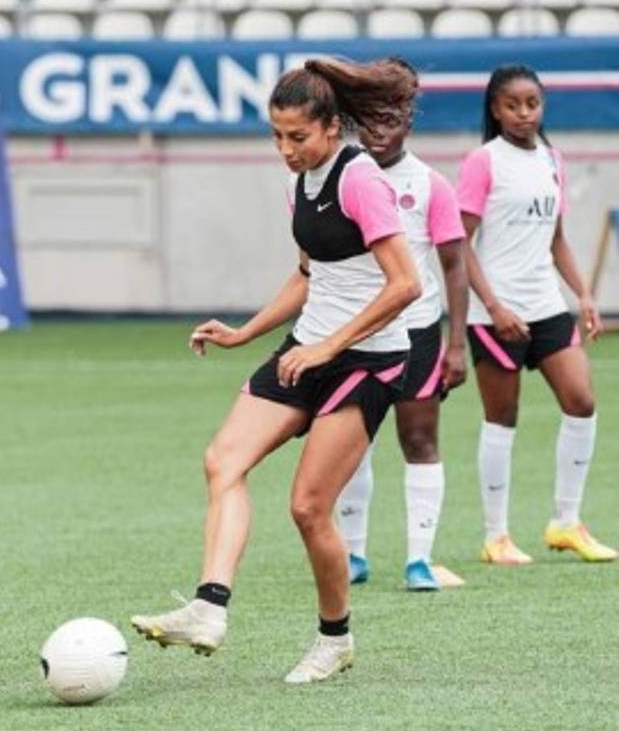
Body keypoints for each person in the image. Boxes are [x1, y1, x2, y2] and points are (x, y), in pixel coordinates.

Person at [131, 58, 421, 684]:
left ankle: (335, 638)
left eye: (298, 137)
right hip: (309, 345)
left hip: (368, 359)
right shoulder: (301, 182)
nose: (286, 150)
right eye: (277, 136)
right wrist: (245, 333)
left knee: (309, 507)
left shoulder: (360, 179)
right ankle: (209, 609)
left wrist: (327, 347)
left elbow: (406, 286)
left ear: (331, 127)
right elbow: (309, 273)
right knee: (223, 461)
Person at [456, 64, 614, 565]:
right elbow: (459, 245)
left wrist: (584, 294)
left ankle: (566, 523)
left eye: (532, 103)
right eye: (512, 105)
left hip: (547, 305)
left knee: (582, 401)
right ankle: (495, 535)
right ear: (495, 109)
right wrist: (495, 306)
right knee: (502, 419)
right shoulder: (484, 162)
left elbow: (556, 238)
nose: (524, 113)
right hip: (494, 312)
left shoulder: (552, 158)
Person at [334, 59, 470, 592]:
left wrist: (456, 344)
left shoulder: (431, 184)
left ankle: (419, 559)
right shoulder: (341, 179)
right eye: (369, 121)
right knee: (352, 442)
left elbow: (455, 265)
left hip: (416, 332)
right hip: (359, 333)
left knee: (419, 437)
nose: (379, 131)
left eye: (390, 119)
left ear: (409, 121)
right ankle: (353, 554)